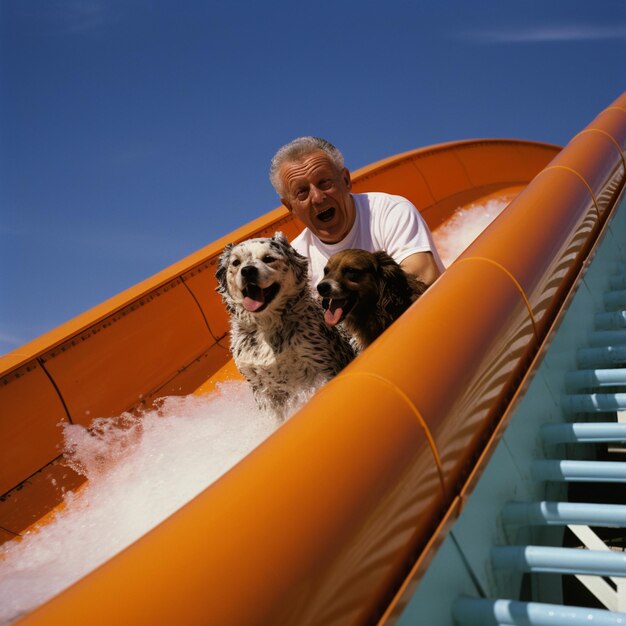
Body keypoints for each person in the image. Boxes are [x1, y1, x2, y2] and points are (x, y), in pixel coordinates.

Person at [269, 136, 444, 289]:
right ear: (290, 207)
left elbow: (422, 277)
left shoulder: (389, 211)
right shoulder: (297, 261)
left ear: (345, 180)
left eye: (324, 182)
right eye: (302, 192)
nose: (317, 197)